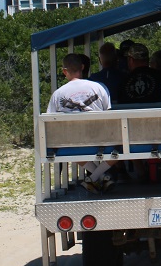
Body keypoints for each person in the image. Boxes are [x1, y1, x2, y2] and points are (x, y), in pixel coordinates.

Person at [46, 52, 116, 194]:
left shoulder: (58, 94)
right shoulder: (99, 87)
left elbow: (50, 122)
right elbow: (108, 114)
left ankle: (94, 177)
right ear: (82, 67)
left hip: (74, 142)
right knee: (121, 148)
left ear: (64, 71)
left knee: (70, 148)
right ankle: (100, 176)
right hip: (100, 140)